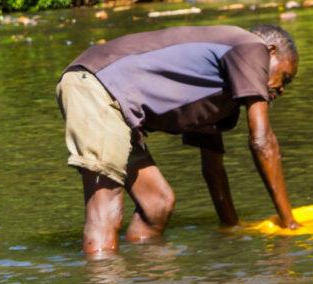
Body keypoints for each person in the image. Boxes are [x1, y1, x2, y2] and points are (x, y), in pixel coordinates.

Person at [57, 23, 299, 256]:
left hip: (116, 104)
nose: (283, 89)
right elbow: (262, 141)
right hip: (97, 85)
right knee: (106, 206)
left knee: (157, 204)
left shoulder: (220, 96)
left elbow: (213, 171)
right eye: (285, 77)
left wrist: (232, 227)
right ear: (271, 51)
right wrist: (290, 225)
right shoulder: (251, 47)